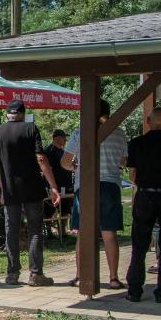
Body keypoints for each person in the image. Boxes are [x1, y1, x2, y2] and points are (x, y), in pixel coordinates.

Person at [0, 101, 59, 286]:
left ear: (7, 114)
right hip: (33, 188)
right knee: (35, 230)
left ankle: (12, 274)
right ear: (23, 113)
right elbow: (41, 158)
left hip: (10, 190)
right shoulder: (30, 128)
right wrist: (53, 186)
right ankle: (36, 274)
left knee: (11, 231)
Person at [63, 100, 128, 289]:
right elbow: (123, 160)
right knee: (109, 233)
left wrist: (75, 166)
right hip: (111, 185)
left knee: (83, 233)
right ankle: (114, 278)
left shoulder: (79, 132)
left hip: (85, 185)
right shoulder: (119, 133)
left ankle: (80, 276)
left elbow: (65, 162)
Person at [125, 106, 161, 303]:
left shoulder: (136, 143)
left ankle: (134, 290)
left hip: (145, 195)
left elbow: (132, 175)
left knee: (139, 244)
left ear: (148, 121)